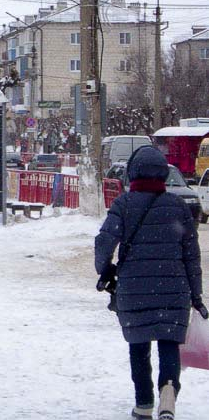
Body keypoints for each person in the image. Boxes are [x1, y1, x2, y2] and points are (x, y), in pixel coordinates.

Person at [95, 146, 206, 420]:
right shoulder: (178, 207)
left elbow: (104, 242)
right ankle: (168, 391)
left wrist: (105, 269)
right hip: (174, 291)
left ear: (132, 172)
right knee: (169, 343)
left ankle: (144, 403)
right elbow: (192, 256)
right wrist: (196, 295)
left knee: (139, 345)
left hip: (134, 290)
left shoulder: (123, 205)